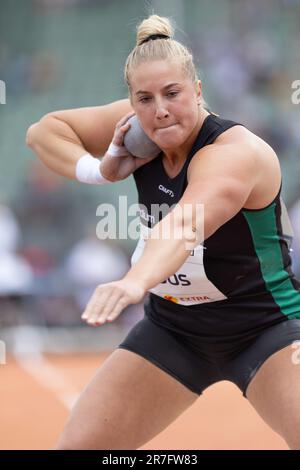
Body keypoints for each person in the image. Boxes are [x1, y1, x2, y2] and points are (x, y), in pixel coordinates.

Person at [26, 14, 300, 450]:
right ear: (132, 104)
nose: (161, 110)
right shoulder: (139, 129)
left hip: (266, 326)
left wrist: (135, 281)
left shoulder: (234, 153)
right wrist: (101, 170)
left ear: (197, 89)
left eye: (172, 93)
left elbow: (185, 226)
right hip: (175, 328)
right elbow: (43, 132)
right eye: (145, 99)